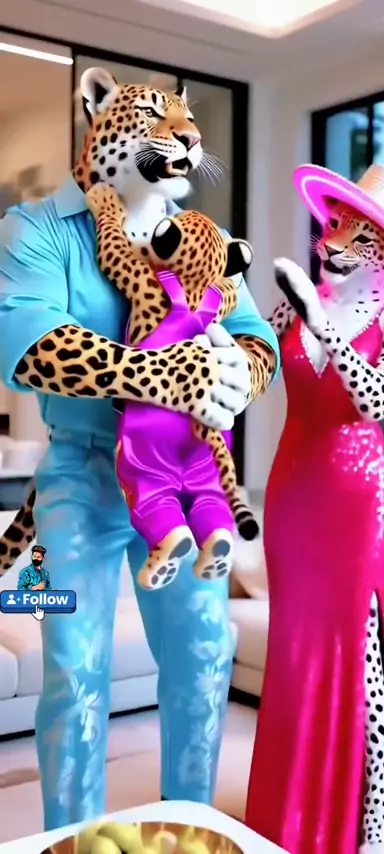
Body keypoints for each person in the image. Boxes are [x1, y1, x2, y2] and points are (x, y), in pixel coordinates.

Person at [0, 67, 279, 831]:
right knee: (73, 668)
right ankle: (74, 839)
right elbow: (29, 347)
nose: (185, 132)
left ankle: (191, 829)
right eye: (156, 118)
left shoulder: (202, 235)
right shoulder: (35, 228)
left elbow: (256, 340)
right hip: (79, 472)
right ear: (99, 118)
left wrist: (237, 374)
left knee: (206, 652)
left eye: (185, 120)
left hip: (185, 472)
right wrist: (163, 375)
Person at [246, 164, 384, 854]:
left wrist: (321, 322)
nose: (333, 241)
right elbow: (253, 371)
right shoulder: (292, 306)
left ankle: (372, 815)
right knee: (295, 648)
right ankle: (289, 813)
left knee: (361, 646)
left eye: (358, 233)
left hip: (362, 498)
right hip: (294, 493)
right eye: (333, 224)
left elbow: (374, 399)